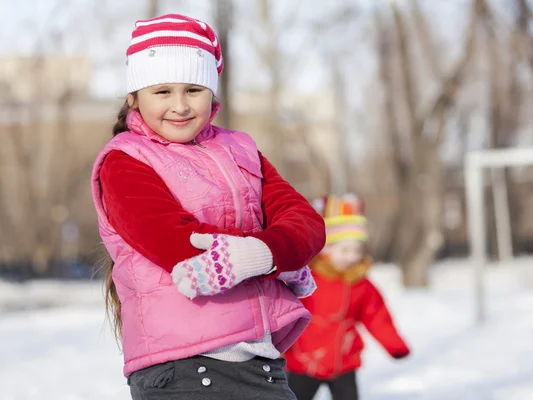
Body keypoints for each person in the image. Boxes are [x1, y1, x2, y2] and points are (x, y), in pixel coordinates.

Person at [90, 13, 325, 400]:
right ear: (134, 96)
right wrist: (274, 254)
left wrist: (267, 254)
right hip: (184, 369)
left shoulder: (241, 150)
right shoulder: (124, 162)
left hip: (261, 362)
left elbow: (306, 223)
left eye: (194, 90)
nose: (180, 106)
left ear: (212, 93)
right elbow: (176, 243)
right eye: (162, 91)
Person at [285, 194, 411, 400]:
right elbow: (285, 311)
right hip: (304, 360)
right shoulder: (306, 278)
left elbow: (376, 314)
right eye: (344, 250)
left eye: (356, 250)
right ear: (325, 249)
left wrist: (394, 344)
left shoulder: (359, 283)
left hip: (343, 361)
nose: (351, 256)